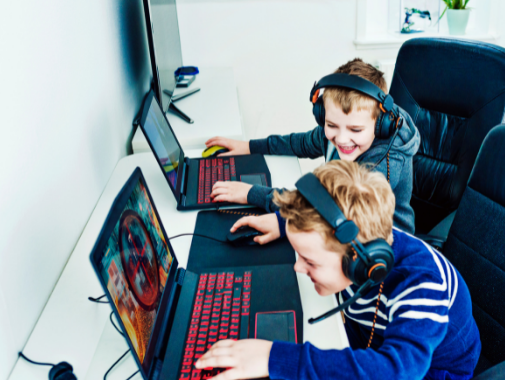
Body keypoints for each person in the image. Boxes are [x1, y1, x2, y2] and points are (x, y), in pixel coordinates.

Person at [195, 161, 481, 380]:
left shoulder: (423, 286)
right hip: (370, 336)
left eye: (310, 260)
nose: (297, 266)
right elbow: (321, 218)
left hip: (428, 370)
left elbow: (396, 371)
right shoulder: (364, 236)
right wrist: (283, 224)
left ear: (358, 261)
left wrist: (275, 357)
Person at [205, 58, 420, 234]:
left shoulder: (382, 164)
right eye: (331, 125)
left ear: (380, 124)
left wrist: (256, 197)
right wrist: (249, 147)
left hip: (383, 252)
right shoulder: (340, 132)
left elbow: (332, 211)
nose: (342, 139)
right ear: (321, 115)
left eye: (355, 130)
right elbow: (299, 143)